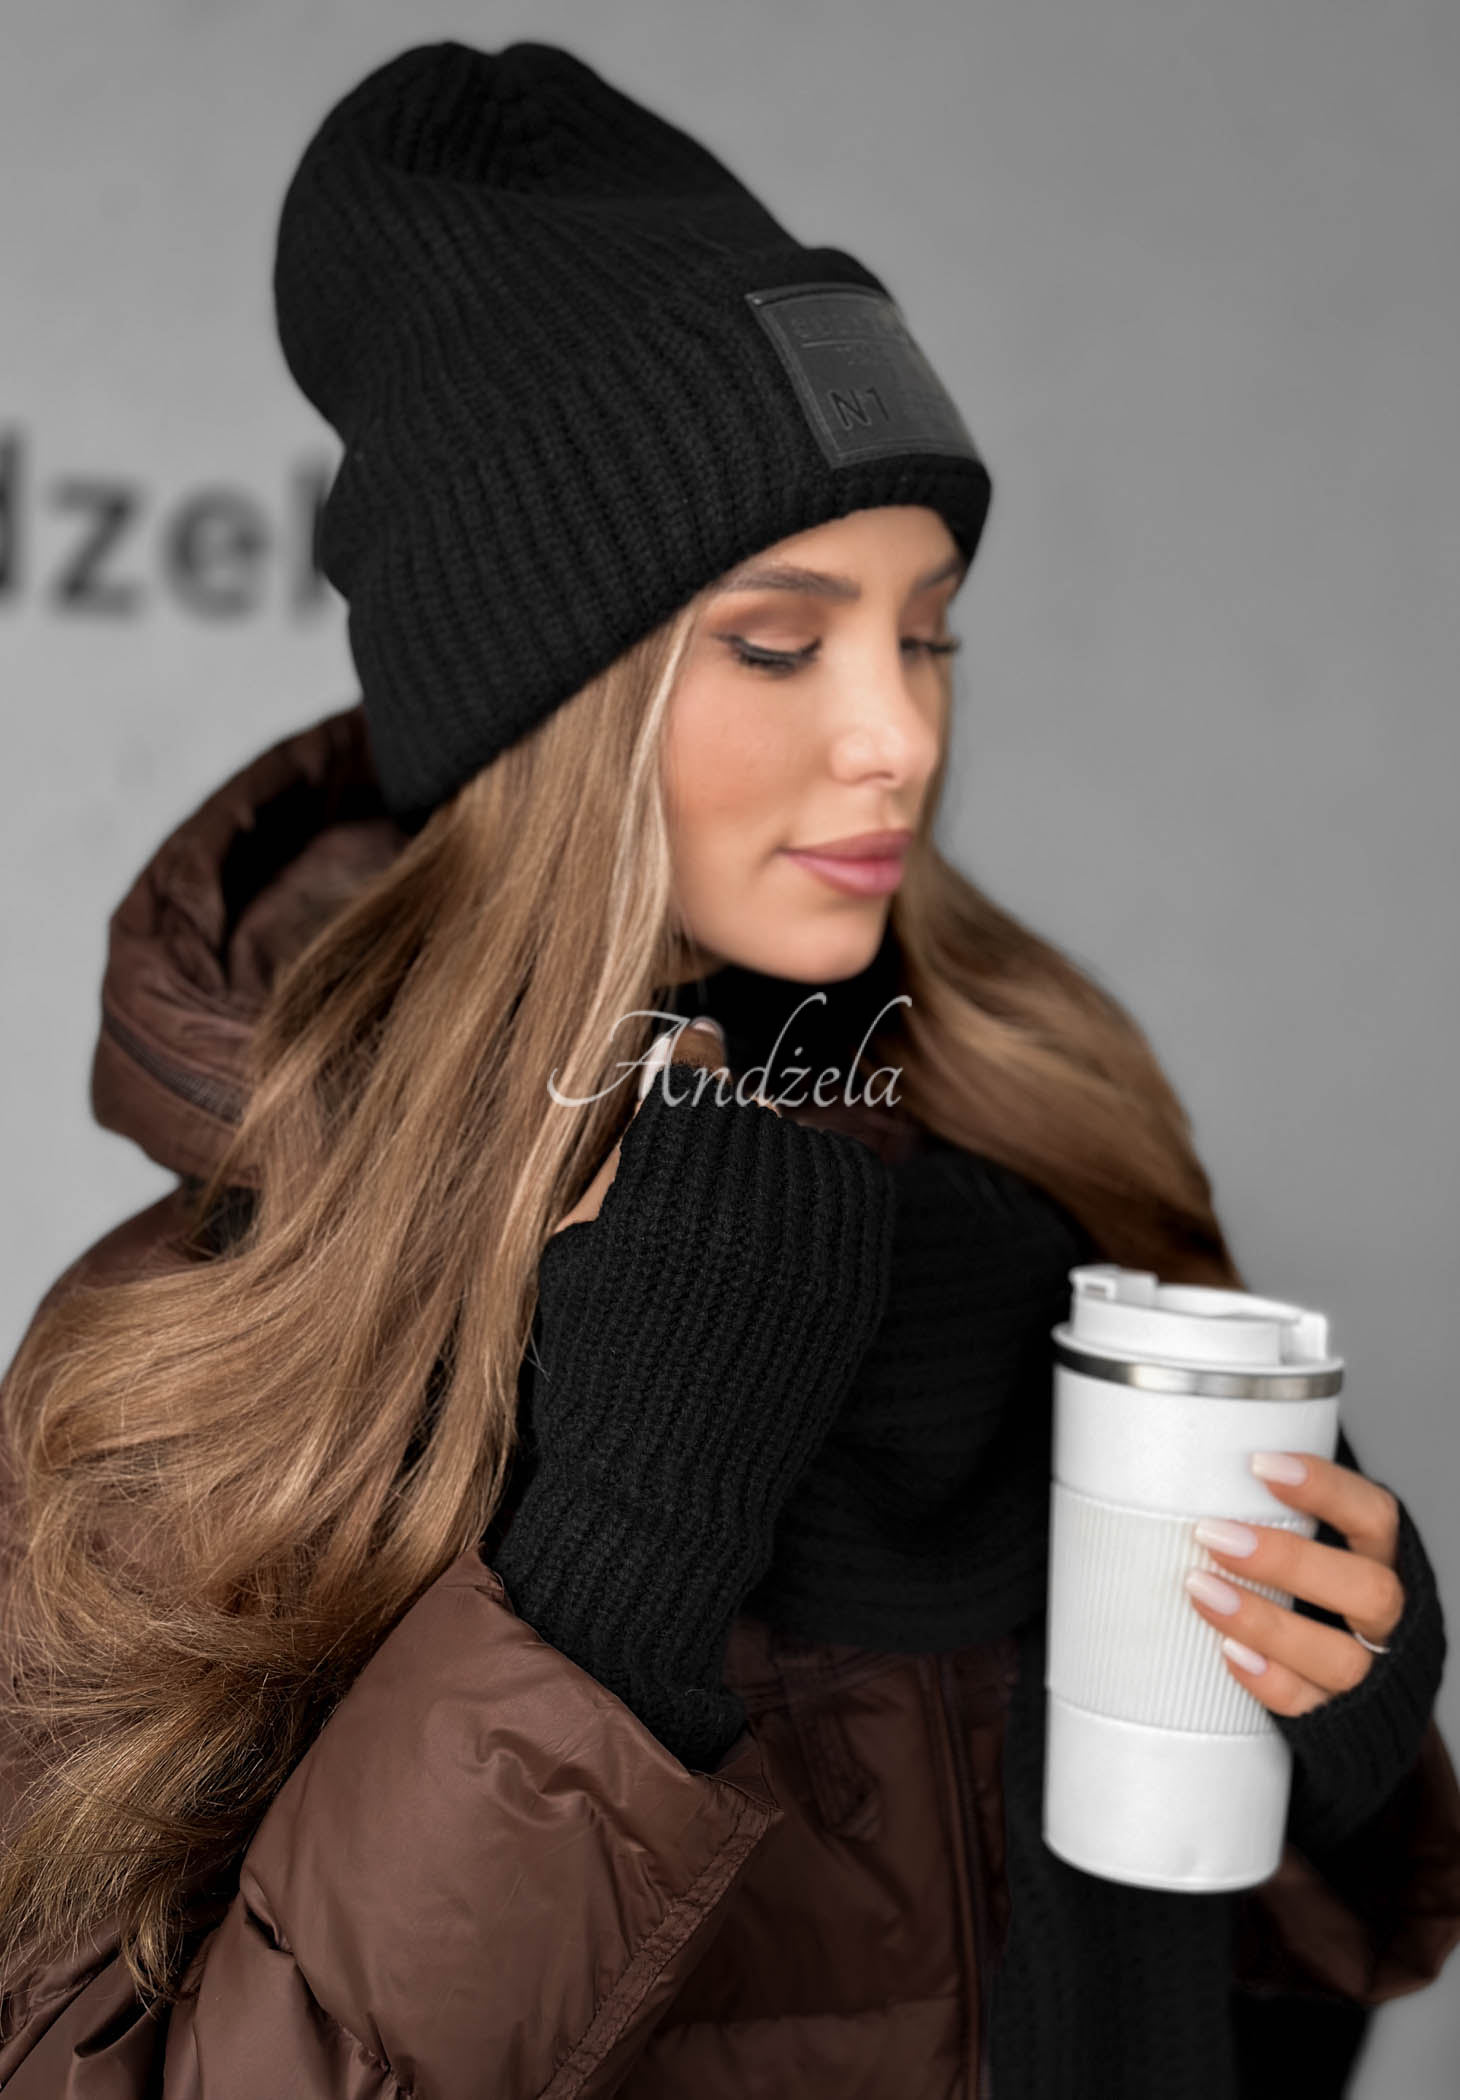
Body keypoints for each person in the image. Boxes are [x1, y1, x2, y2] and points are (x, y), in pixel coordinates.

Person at [1, 39, 1457, 2100]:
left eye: (927, 633)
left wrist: (1333, 1751)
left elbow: (1245, 2032)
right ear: (550, 709)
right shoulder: (212, 1354)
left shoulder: (1058, 1164)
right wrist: (607, 1561)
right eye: (781, 643)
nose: (899, 736)